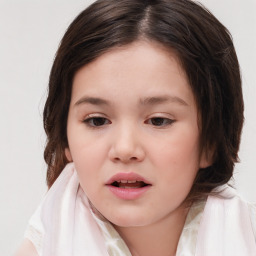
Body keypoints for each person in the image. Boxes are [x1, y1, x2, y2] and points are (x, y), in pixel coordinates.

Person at [15, 0, 256, 255]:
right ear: (65, 139)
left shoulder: (244, 236)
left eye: (158, 120)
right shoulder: (47, 243)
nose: (125, 148)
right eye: (97, 120)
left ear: (211, 140)